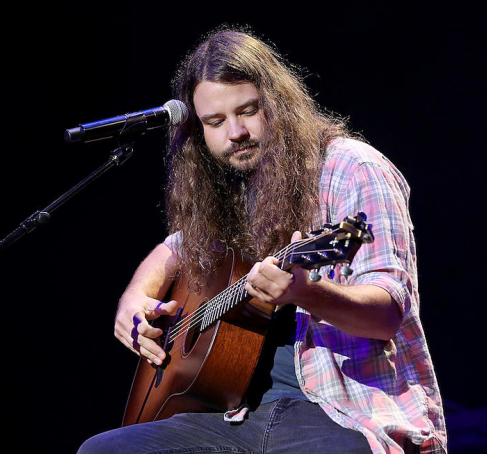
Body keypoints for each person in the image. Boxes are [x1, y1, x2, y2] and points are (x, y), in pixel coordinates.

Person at [78, 27, 447, 454]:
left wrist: (308, 293)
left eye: (248, 111)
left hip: (339, 411)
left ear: (278, 103)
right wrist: (136, 298)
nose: (235, 132)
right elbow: (175, 246)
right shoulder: (224, 190)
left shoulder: (352, 167)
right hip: (233, 416)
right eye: (215, 122)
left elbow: (389, 312)